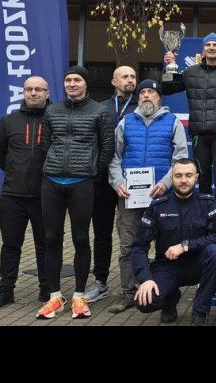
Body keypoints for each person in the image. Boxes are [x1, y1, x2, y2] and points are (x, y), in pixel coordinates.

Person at [36, 65, 115, 320]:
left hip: (82, 182)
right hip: (52, 181)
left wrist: (92, 171)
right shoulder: (52, 110)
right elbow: (46, 143)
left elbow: (107, 147)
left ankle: (79, 296)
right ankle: (55, 296)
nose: (72, 84)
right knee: (51, 238)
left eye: (77, 80)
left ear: (85, 84)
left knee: (81, 238)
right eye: (68, 80)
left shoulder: (100, 112)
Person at [106, 79, 188, 313]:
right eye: (142, 92)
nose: (146, 96)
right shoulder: (126, 122)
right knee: (128, 245)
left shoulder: (172, 122)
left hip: (163, 196)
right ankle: (128, 293)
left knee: (166, 245)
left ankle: (166, 292)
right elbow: (114, 157)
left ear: (159, 97)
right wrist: (118, 182)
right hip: (130, 197)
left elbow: (180, 158)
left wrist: (166, 182)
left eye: (151, 92)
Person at [132, 158, 216, 326]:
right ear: (172, 178)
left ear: (196, 177)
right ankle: (170, 299)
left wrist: (185, 246)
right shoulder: (158, 206)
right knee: (145, 302)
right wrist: (145, 278)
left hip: (199, 264)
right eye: (178, 175)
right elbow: (139, 246)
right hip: (167, 266)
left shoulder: (208, 202)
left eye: (188, 175)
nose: (184, 180)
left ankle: (200, 312)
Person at [0, 76, 51, 310]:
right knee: (10, 245)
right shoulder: (9, 121)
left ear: (47, 93)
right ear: (23, 93)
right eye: (29, 89)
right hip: (13, 195)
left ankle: (47, 288)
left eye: (38, 89)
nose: (33, 93)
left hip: (45, 196)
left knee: (45, 245)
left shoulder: (55, 119)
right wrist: (14, 171)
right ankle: (6, 290)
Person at [163, 32, 216, 200]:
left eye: (215, 45)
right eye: (208, 45)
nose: (211, 47)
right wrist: (169, 67)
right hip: (199, 137)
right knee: (204, 180)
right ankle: (206, 216)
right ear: (203, 50)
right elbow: (168, 89)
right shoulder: (191, 72)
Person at [85, 65, 139, 304]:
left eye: (133, 76)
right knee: (102, 232)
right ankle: (101, 281)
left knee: (135, 233)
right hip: (103, 180)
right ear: (113, 82)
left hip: (135, 180)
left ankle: (137, 280)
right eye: (125, 77)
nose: (130, 80)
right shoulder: (101, 108)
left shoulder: (143, 106)